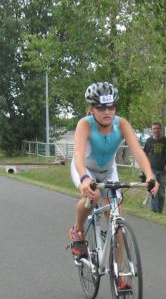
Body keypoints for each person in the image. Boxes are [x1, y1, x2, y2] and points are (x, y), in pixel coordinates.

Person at [68, 82, 159, 266]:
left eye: (111, 107)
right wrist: (84, 179)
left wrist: (150, 175)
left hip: (109, 170)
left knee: (116, 218)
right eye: (101, 108)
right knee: (93, 196)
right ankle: (77, 231)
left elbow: (137, 151)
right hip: (85, 168)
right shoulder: (85, 124)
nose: (107, 112)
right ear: (91, 109)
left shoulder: (121, 124)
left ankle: (120, 272)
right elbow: (78, 155)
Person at [142, 122, 166, 213]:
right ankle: (153, 210)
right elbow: (144, 154)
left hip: (162, 170)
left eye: (157, 128)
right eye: (154, 129)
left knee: (161, 192)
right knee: (154, 189)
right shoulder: (149, 141)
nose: (156, 130)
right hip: (152, 170)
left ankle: (159, 211)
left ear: (160, 129)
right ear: (151, 130)